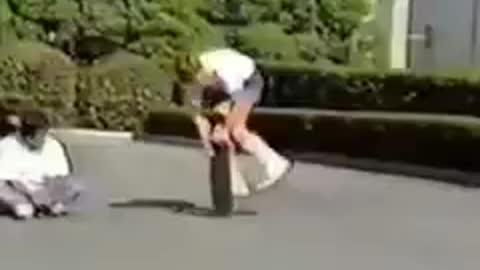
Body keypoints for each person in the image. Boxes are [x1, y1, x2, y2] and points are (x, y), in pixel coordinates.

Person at [175, 48, 294, 197]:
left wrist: (224, 126)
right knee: (218, 133)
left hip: (248, 82)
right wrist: (207, 144)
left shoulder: (225, 71)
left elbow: (234, 101)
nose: (198, 83)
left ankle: (275, 163)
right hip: (225, 88)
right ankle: (236, 185)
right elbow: (197, 113)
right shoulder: (198, 71)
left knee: (236, 130)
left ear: (202, 70)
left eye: (198, 78)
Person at [0, 108, 82, 220]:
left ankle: (48, 205)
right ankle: (21, 205)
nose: (42, 139)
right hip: (17, 189)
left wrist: (47, 194)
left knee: (75, 185)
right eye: (38, 136)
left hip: (44, 188)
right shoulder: (8, 145)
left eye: (43, 134)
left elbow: (59, 176)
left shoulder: (53, 146)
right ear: (26, 136)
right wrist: (32, 195)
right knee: (9, 196)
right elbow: (10, 180)